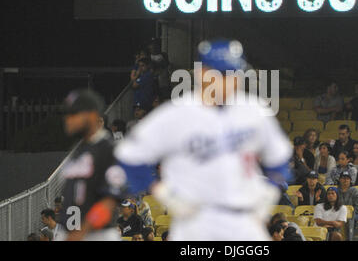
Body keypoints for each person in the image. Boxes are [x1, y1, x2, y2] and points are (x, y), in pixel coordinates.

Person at [114, 39, 292, 241]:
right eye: (221, 74)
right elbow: (128, 156)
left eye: (233, 74)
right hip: (196, 222)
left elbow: (280, 157)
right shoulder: (177, 113)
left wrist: (269, 193)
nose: (229, 80)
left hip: (243, 221)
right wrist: (162, 192)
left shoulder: (254, 110)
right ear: (202, 73)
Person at [58, 89, 127, 241]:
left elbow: (109, 202)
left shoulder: (109, 150)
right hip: (70, 232)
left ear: (92, 115)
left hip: (97, 235)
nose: (68, 119)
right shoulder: (79, 151)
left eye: (73, 114)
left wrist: (82, 231)